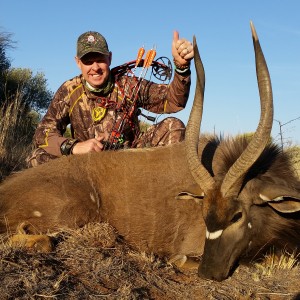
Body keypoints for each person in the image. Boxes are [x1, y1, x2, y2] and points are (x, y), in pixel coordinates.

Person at [26, 30, 194, 167]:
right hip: (85, 165)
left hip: (129, 160)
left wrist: (181, 69)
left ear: (110, 58)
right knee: (37, 157)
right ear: (78, 62)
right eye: (88, 61)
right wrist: (74, 146)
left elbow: (173, 101)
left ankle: (160, 191)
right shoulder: (69, 90)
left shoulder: (128, 84)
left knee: (173, 126)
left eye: (100, 60)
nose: (95, 68)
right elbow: (43, 134)